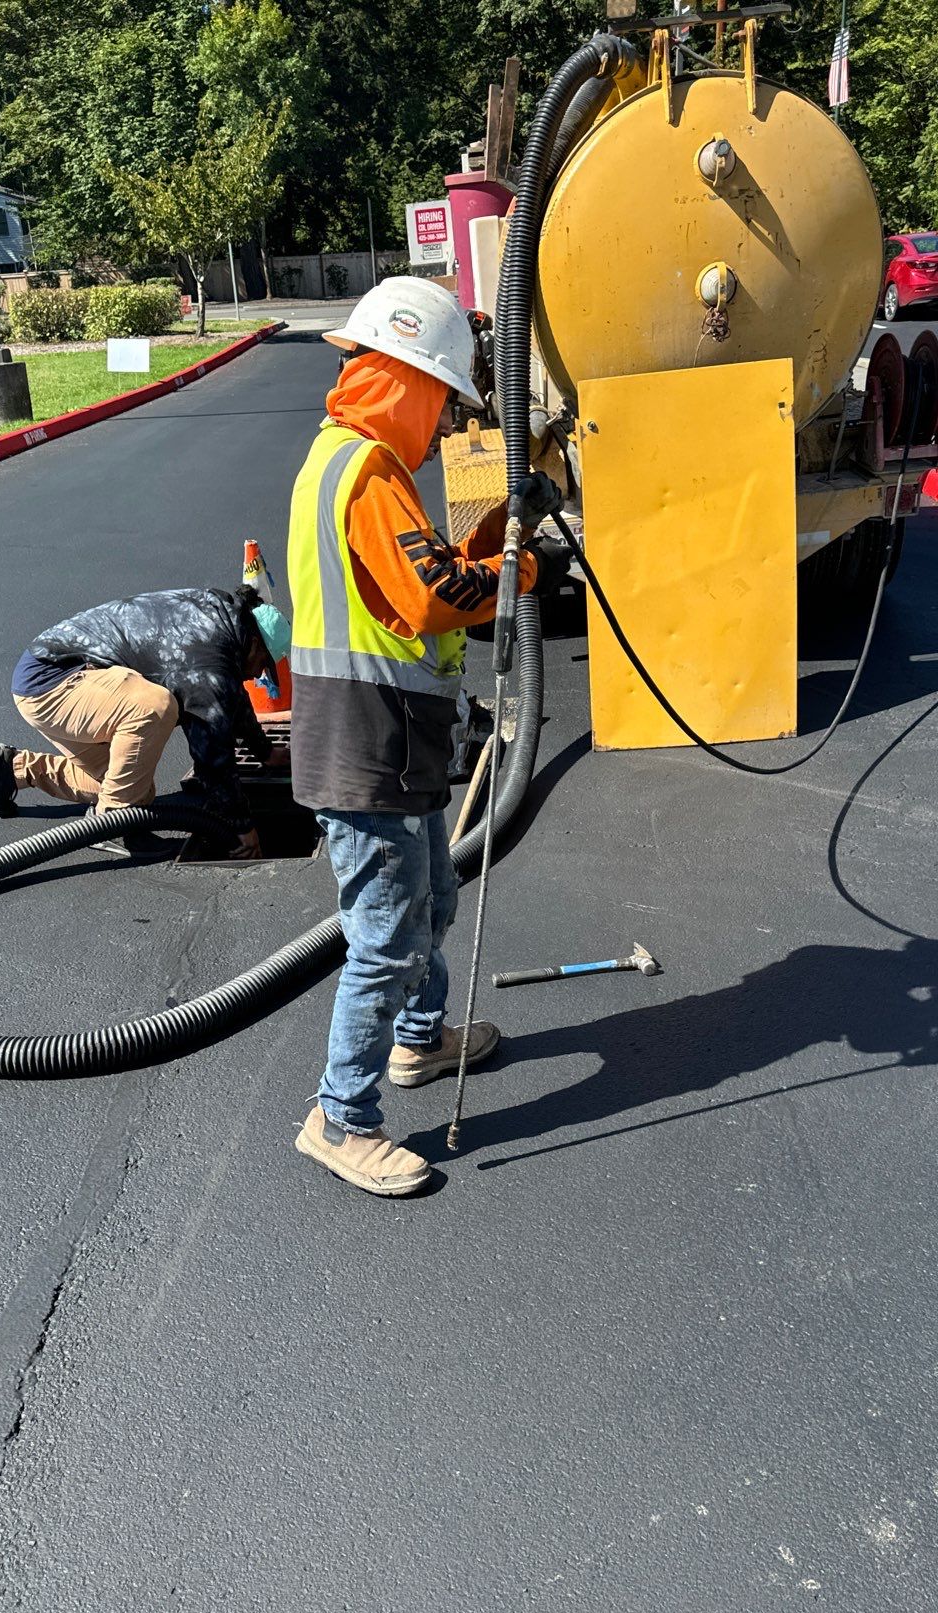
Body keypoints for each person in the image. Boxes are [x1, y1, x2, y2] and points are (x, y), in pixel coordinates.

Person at [287, 277, 563, 1197]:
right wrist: (515, 571)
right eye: (444, 400)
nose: (446, 422)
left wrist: (491, 540)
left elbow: (423, 578)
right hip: (364, 745)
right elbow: (430, 596)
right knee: (385, 938)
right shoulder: (365, 471)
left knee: (433, 897)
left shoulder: (349, 464)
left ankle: (418, 1041)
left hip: (390, 740)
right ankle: (340, 1118)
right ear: (405, 379)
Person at [0, 586, 291, 858]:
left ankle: (10, 770)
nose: (258, 675)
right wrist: (241, 827)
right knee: (156, 707)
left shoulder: (222, 622)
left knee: (129, 788)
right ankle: (112, 825)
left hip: (48, 679)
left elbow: (229, 697)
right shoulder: (210, 655)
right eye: (263, 663)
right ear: (253, 643)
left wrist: (265, 752)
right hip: (55, 679)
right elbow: (212, 759)